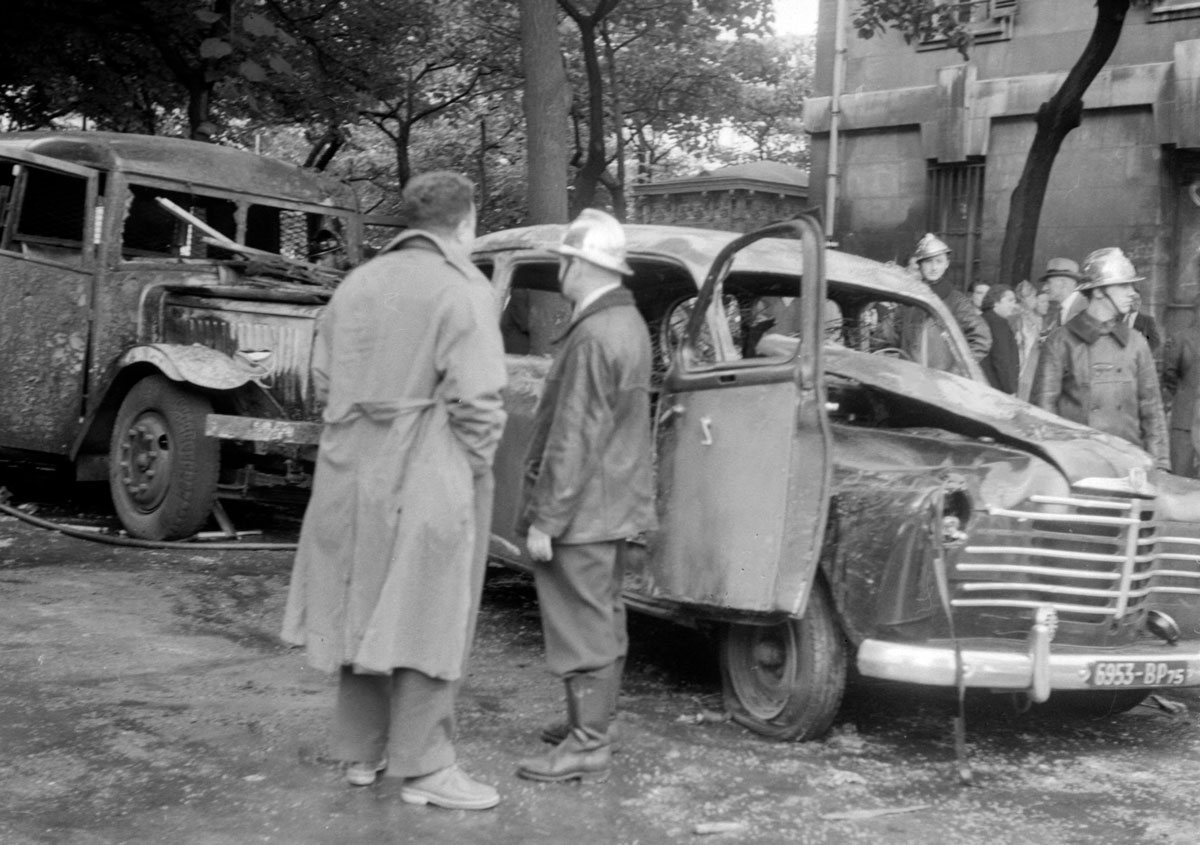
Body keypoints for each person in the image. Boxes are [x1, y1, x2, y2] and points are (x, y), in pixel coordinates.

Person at [280, 172, 507, 810]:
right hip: (425, 462)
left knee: (361, 603)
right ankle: (428, 769)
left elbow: (322, 379)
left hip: (349, 466)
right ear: (465, 225)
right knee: (431, 611)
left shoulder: (356, 284)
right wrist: (473, 466)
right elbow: (479, 400)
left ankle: (363, 752)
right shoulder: (463, 288)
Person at [516, 208, 657, 784]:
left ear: (579, 264)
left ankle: (587, 742)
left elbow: (574, 434)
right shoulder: (624, 323)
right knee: (603, 617)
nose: (559, 270)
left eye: (563, 261)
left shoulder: (595, 333)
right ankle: (596, 722)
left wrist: (545, 520)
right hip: (611, 504)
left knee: (581, 625)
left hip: (584, 510)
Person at [1031, 247, 1169, 467]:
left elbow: (1152, 411)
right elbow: (1043, 411)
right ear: (1098, 291)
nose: (1132, 293)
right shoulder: (1061, 340)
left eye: (1132, 285)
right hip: (1077, 466)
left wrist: (1160, 466)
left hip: (1130, 466)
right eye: (1124, 285)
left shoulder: (1136, 342)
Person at [910, 233, 991, 361]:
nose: (934, 267)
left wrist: (958, 370)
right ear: (920, 265)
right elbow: (890, 336)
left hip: (941, 378)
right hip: (909, 376)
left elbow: (981, 338)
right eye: (928, 261)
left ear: (946, 264)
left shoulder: (957, 301)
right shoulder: (909, 298)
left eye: (939, 261)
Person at [1162, 296, 1200, 476]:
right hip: (1185, 420)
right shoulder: (1180, 339)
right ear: (1196, 311)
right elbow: (1169, 376)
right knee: (1180, 475)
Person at [979, 284, 1020, 394]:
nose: (1014, 305)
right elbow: (1001, 360)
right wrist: (1010, 390)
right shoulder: (998, 323)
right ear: (995, 301)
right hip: (996, 389)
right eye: (1010, 301)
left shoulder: (983, 319)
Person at [1013, 279, 1049, 400]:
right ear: (1025, 298)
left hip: (1031, 359)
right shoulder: (1017, 315)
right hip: (1023, 360)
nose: (1035, 300)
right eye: (1033, 297)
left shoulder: (1030, 314)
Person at [1040, 256, 1086, 326]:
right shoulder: (1062, 309)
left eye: (1048, 283)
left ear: (1063, 283)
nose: (1044, 288)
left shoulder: (1084, 309)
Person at [1126, 290, 1162, 360]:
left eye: (1138, 299)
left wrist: (1145, 358)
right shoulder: (1118, 319)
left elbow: (1155, 342)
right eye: (1133, 299)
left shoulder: (1147, 321)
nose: (1136, 302)